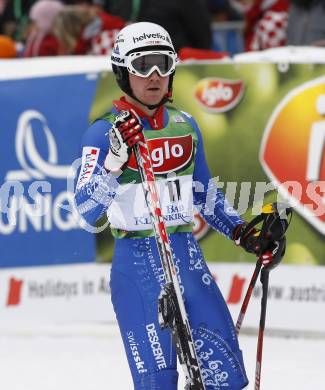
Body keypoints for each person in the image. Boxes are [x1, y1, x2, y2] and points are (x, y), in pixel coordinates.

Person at [74, 21, 285, 389]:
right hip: (137, 265)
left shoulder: (185, 125)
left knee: (228, 378)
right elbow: (86, 211)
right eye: (143, 66)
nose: (155, 76)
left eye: (163, 64)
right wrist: (112, 166)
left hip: (186, 257)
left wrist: (243, 234)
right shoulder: (103, 132)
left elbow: (204, 194)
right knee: (158, 383)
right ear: (123, 71)